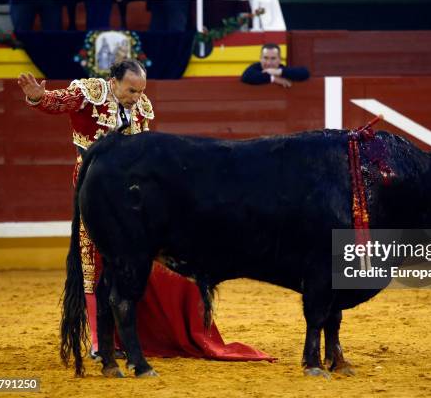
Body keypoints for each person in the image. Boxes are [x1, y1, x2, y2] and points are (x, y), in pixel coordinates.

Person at [17, 59, 272, 362]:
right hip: (95, 192)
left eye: (140, 91)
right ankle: (100, 343)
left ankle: (138, 335)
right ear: (113, 82)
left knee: (147, 257)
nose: (136, 97)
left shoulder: (143, 105)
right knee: (92, 261)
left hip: (133, 194)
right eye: (131, 90)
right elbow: (57, 102)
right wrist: (37, 96)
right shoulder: (90, 91)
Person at [241, 43, 310, 88]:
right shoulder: (255, 67)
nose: (268, 63)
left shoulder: (282, 69)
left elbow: (305, 73)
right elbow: (245, 76)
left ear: (279, 59)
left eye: (273, 58)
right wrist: (273, 78)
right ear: (261, 58)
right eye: (265, 58)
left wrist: (278, 72)